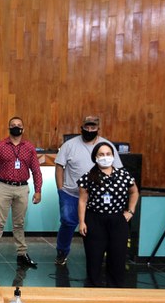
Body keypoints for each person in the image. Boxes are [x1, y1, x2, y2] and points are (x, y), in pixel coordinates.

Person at [54, 115, 122, 266]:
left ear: (98, 128)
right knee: (67, 222)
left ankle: (97, 255)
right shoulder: (69, 145)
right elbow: (59, 166)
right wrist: (60, 189)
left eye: (93, 127)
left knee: (97, 226)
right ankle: (62, 252)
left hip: (97, 196)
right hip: (71, 194)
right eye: (87, 127)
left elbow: (117, 169)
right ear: (82, 128)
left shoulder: (106, 146)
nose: (90, 130)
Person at [78, 141, 139, 287]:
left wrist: (130, 211)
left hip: (118, 220)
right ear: (95, 157)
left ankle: (115, 290)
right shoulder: (88, 177)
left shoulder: (123, 174)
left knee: (117, 258)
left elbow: (134, 192)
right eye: (101, 154)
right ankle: (93, 289)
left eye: (108, 154)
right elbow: (82, 200)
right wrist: (82, 222)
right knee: (94, 258)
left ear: (113, 156)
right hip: (95, 220)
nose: (105, 157)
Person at [0, 116, 42, 269]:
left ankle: (22, 253)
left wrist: (38, 190)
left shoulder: (29, 147)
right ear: (9, 128)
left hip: (22, 188)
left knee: (19, 223)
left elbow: (36, 170)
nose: (16, 127)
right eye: (13, 125)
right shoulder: (0, 146)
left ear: (23, 129)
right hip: (4, 187)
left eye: (19, 125)